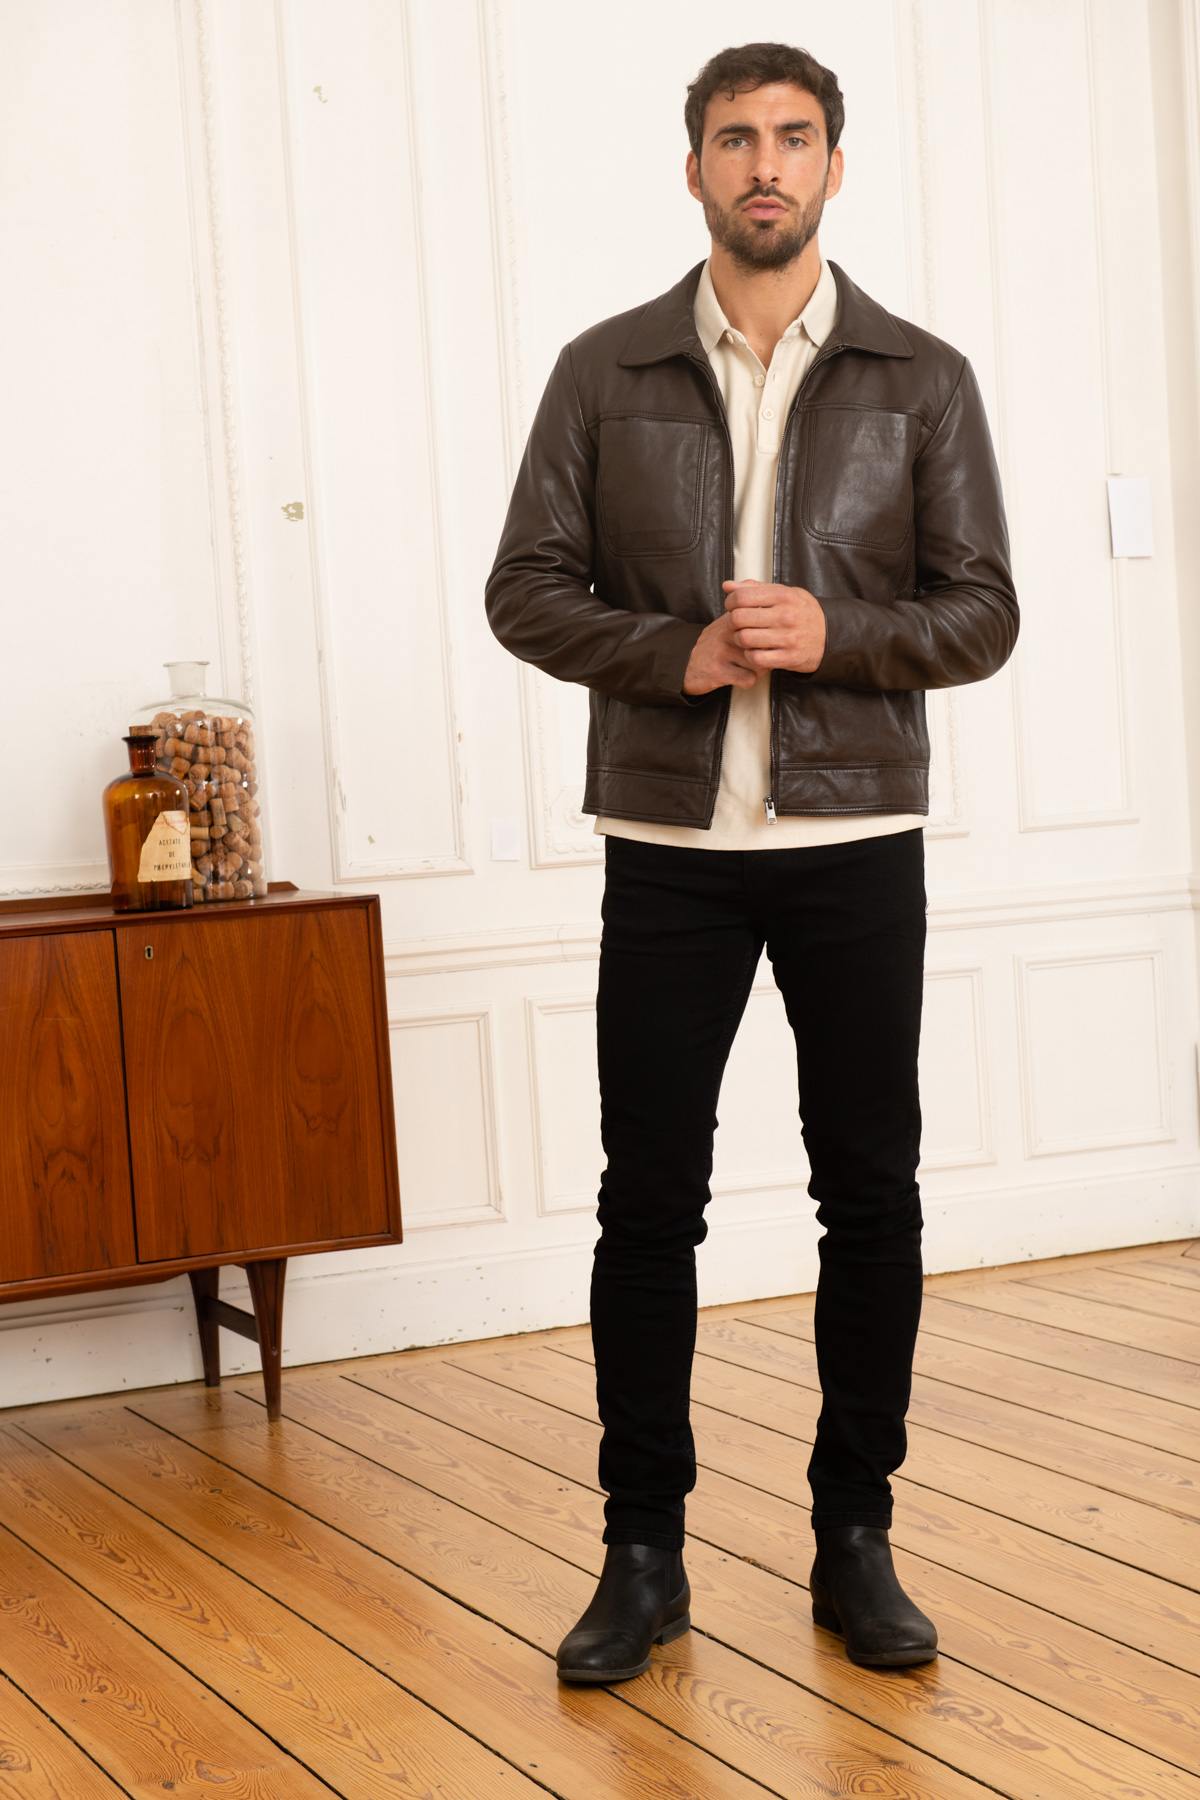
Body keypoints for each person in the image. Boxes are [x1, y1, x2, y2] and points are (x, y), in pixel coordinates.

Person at [485, 40, 1017, 1679]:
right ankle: (640, 1553)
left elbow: (984, 611)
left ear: (834, 166)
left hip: (856, 843)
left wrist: (835, 631)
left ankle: (856, 1539)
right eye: (736, 139)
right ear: (695, 168)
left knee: (871, 1193)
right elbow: (525, 589)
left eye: (793, 138)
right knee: (648, 1202)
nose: (765, 164)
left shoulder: (923, 378)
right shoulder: (602, 371)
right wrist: (681, 656)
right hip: (667, 846)